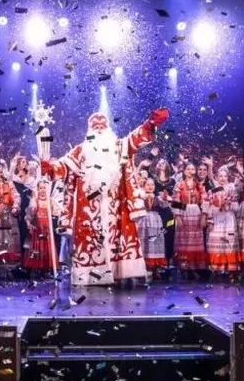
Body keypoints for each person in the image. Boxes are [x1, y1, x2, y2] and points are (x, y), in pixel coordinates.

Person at [38, 108, 169, 287]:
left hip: (116, 206)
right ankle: (91, 276)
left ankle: (119, 273)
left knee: (117, 240)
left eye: (102, 127)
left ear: (108, 129)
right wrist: (49, 168)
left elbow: (134, 139)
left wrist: (150, 124)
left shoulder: (119, 147)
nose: (99, 130)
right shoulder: (80, 151)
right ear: (89, 131)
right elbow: (62, 167)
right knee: (91, 242)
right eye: (96, 127)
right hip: (88, 210)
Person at [173, 161, 208, 279]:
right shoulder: (179, 184)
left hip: (196, 213)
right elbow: (176, 200)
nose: (190, 171)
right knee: (184, 240)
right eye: (188, 169)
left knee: (195, 240)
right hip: (184, 212)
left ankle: (194, 267)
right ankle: (185, 268)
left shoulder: (199, 185)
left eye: (192, 169)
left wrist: (204, 215)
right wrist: (178, 216)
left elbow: (205, 200)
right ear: (184, 171)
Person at [206, 168, 240, 280]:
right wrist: (210, 220)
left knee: (228, 242)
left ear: (228, 177)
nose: (222, 178)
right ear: (217, 177)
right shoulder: (214, 190)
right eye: (220, 176)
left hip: (228, 218)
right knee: (216, 240)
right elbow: (210, 206)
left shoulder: (231, 188)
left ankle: (230, 269)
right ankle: (216, 268)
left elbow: (236, 207)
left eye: (225, 176)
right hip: (217, 218)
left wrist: (228, 204)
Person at [134, 178, 168, 277]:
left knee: (155, 242)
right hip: (144, 220)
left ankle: (155, 268)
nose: (150, 187)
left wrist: (165, 198)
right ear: (143, 186)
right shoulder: (141, 196)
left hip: (155, 221)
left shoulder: (158, 197)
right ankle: (145, 268)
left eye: (152, 185)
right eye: (148, 185)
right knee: (145, 242)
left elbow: (165, 206)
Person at [23, 180, 56, 276]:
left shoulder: (50, 201)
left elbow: (56, 213)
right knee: (36, 248)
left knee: (46, 248)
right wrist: (29, 223)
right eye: (40, 188)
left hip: (47, 229)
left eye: (44, 188)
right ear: (37, 189)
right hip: (37, 229)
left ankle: (46, 269)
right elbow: (29, 215)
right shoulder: (35, 201)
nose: (42, 190)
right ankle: (35, 269)